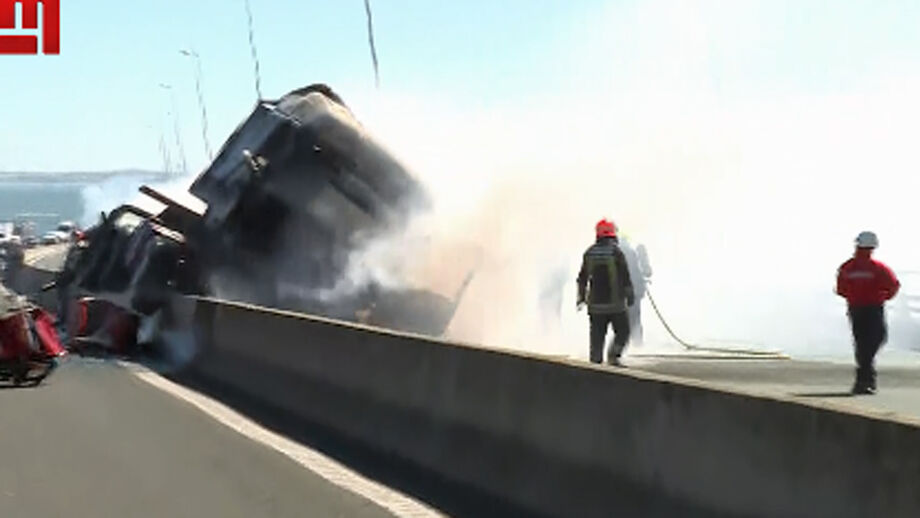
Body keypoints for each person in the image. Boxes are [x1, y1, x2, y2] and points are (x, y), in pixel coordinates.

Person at [836, 231, 900, 395]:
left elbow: (840, 289)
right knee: (876, 339)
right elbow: (893, 285)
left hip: (856, 309)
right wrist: (884, 297)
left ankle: (863, 379)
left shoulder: (847, 267)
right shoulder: (878, 268)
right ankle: (865, 378)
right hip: (872, 308)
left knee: (862, 343)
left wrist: (854, 296)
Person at [577, 219, 635, 365]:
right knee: (623, 332)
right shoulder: (616, 252)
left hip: (595, 306)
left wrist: (581, 297)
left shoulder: (589, 253)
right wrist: (630, 295)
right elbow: (625, 275)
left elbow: (582, 278)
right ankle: (613, 356)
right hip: (617, 305)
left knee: (597, 337)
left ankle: (595, 365)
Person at [619, 235, 653, 346]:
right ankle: (636, 344)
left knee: (621, 319)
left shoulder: (616, 250)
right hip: (634, 290)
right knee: (634, 319)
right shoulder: (636, 249)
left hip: (620, 292)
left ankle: (626, 345)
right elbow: (647, 271)